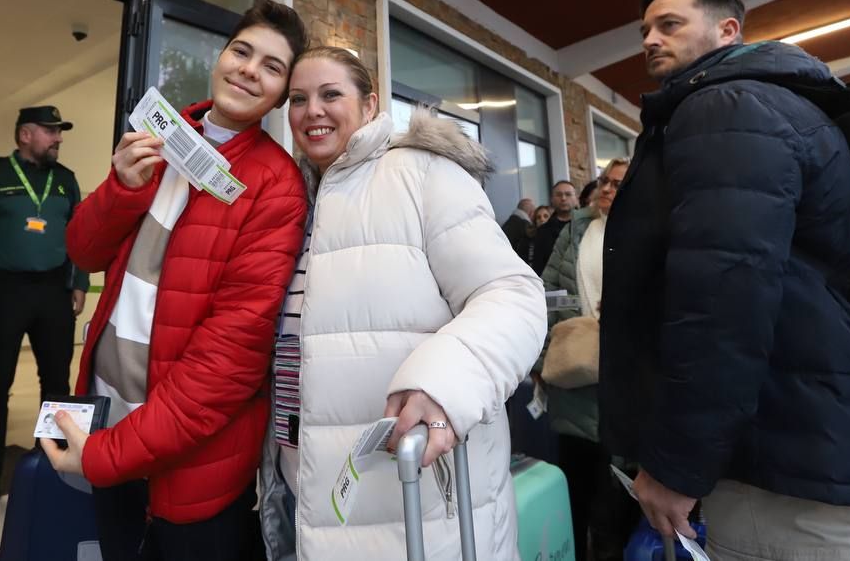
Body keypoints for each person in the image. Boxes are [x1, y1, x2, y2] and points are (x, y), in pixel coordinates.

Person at [600, 0, 850, 561]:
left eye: (669, 24)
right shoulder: (770, 101)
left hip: (781, 446)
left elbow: (723, 297)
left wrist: (678, 464)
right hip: (815, 429)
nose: (650, 38)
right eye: (644, 29)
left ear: (728, 29)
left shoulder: (727, 107)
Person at [41, 0, 309, 561]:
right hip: (109, 411)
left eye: (272, 67)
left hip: (191, 462)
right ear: (221, 55)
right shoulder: (160, 138)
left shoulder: (276, 186)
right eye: (242, 51)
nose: (248, 70)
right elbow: (83, 250)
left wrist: (107, 455)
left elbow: (227, 362)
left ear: (281, 96)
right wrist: (122, 187)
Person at [256, 46, 547, 560]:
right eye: (298, 99)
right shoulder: (294, 197)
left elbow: (512, 295)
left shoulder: (422, 174)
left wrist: (445, 384)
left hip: (418, 500)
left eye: (331, 94)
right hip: (303, 486)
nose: (312, 111)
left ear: (370, 105)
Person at [0, 105, 88, 524]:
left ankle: (52, 474)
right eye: (50, 131)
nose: (58, 138)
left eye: (59, 131)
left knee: (58, 388)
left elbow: (81, 233)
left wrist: (79, 281)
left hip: (52, 292)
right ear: (25, 134)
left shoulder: (65, 181)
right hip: (2, 290)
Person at [540, 159, 637, 560]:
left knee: (621, 502)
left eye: (618, 184)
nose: (608, 190)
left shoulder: (649, 230)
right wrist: (557, 338)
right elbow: (549, 291)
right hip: (575, 375)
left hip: (628, 384)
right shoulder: (575, 231)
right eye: (604, 182)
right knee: (577, 489)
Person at [529, 179, 577, 276]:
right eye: (559, 195)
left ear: (576, 198)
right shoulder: (543, 232)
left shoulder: (587, 225)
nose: (563, 198)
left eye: (568, 194)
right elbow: (538, 266)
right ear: (552, 199)